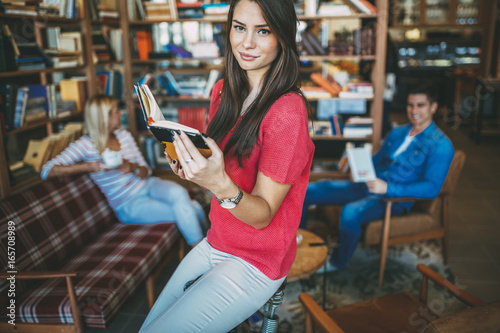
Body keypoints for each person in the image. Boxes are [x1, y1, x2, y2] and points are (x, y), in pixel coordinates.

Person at [139, 0, 314, 332]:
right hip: (217, 240)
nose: (246, 43)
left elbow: (262, 214)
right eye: (239, 27)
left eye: (263, 31)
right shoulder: (223, 92)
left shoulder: (287, 113)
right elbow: (219, 174)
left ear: (282, 36)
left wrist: (217, 183)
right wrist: (192, 167)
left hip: (256, 260)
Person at [300, 84, 455, 270]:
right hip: (365, 185)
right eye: (410, 105)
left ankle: (336, 263)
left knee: (351, 212)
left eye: (420, 105)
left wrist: (388, 188)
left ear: (433, 107)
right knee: (308, 190)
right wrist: (358, 170)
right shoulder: (398, 132)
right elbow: (377, 160)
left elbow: (431, 189)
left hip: (393, 199)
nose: (414, 111)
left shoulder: (441, 145)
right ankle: (295, 244)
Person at [41, 95, 207, 246]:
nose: (120, 113)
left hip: (148, 185)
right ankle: (203, 251)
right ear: (103, 118)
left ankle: (208, 249)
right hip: (129, 204)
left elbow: (146, 171)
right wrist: (88, 166)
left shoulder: (124, 136)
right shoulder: (85, 145)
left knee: (180, 194)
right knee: (192, 208)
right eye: (115, 111)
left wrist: (132, 167)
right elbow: (47, 170)